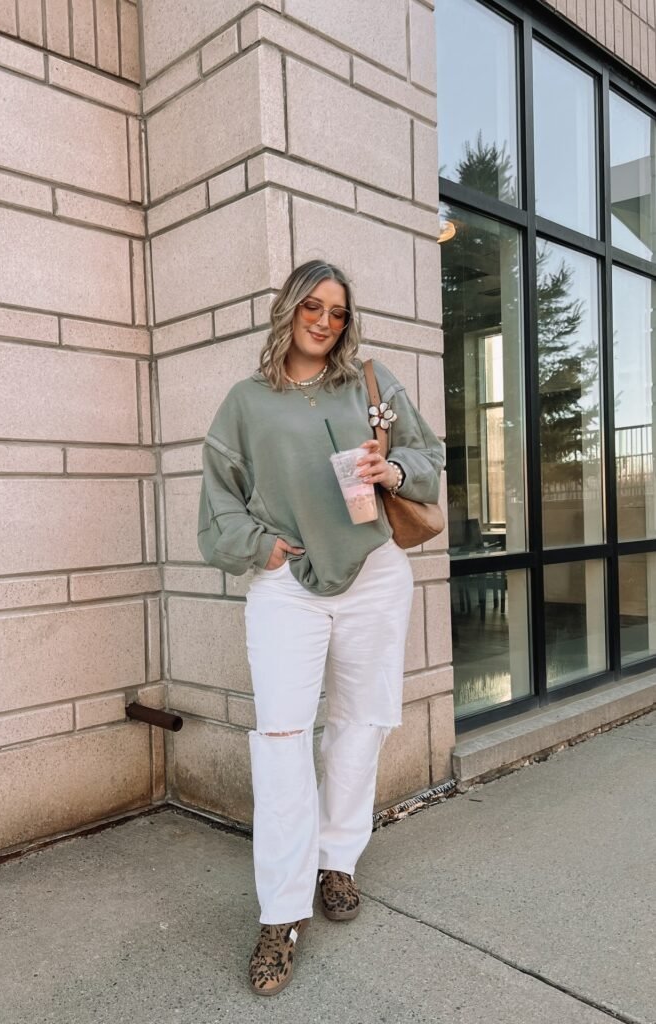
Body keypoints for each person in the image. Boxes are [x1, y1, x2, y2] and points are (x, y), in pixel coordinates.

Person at [197, 259, 444, 996]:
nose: (325, 321)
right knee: (281, 739)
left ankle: (337, 861)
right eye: (313, 305)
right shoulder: (246, 402)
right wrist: (262, 547)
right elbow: (219, 504)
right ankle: (280, 913)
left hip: (374, 575)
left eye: (338, 311)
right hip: (288, 585)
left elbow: (428, 457)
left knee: (360, 723)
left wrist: (391, 471)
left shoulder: (370, 381)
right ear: (289, 308)